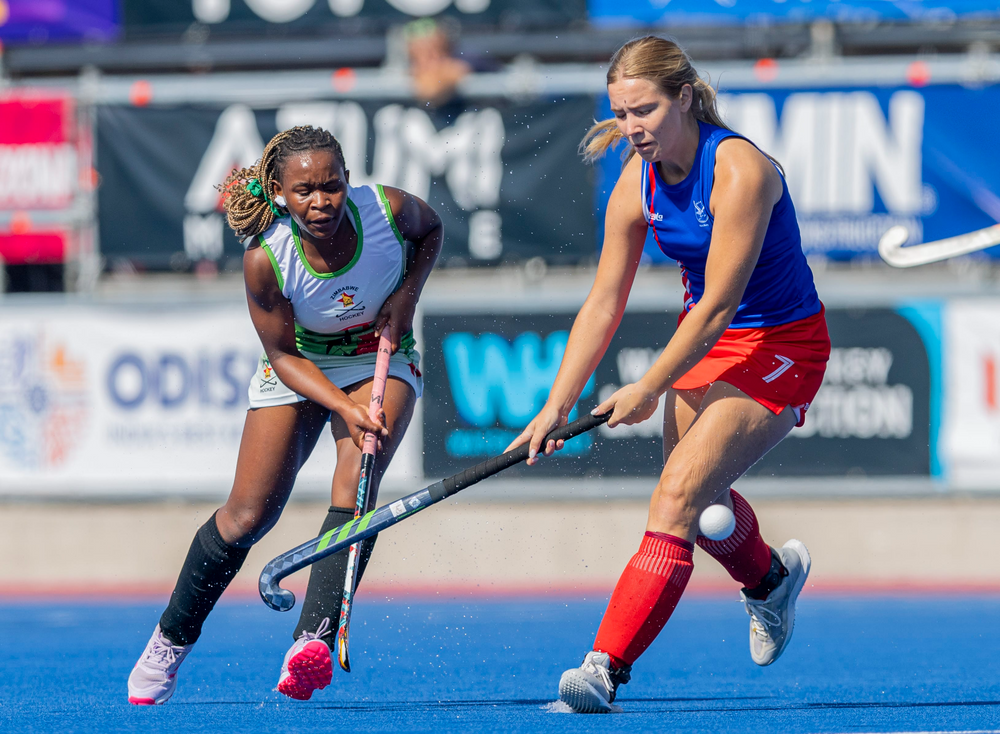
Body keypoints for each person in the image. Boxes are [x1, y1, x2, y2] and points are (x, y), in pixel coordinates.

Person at [507, 36, 830, 714]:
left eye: (645, 110)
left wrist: (648, 386)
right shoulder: (637, 179)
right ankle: (771, 582)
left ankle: (603, 669)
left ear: (684, 97)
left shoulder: (740, 169)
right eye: (621, 114)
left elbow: (717, 307)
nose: (632, 128)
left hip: (781, 343)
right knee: (700, 507)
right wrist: (555, 407)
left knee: (678, 497)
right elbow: (603, 302)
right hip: (708, 347)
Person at [127, 125, 442, 704]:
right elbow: (282, 355)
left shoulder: (388, 210)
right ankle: (170, 639)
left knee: (357, 479)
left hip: (378, 354)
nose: (321, 202)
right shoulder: (266, 258)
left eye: (332, 186)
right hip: (301, 364)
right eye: (304, 191)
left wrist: (408, 295)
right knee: (248, 515)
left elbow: (432, 231)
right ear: (278, 193)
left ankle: (311, 639)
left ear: (348, 180)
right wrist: (343, 405)